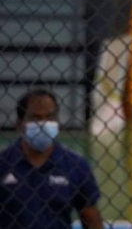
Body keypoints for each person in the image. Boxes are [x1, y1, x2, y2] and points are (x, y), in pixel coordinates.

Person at [0, 89, 103, 229]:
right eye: (36, 118)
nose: (44, 124)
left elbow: (92, 220)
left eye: (50, 117)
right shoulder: (3, 163)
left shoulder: (76, 165)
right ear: (20, 124)